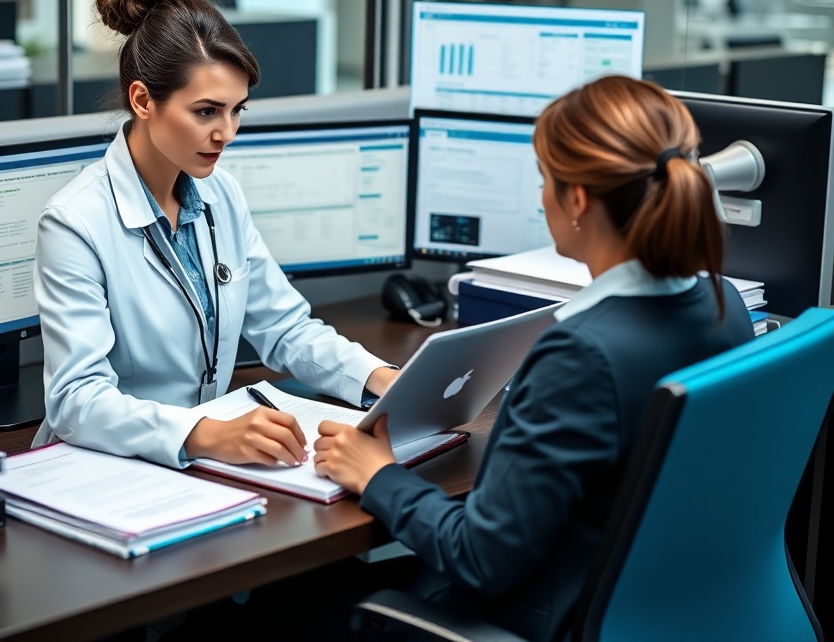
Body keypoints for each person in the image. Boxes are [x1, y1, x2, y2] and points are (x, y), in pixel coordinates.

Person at [313, 75, 755, 642]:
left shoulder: (582, 354)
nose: (539, 196)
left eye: (545, 179)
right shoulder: (723, 304)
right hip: (671, 607)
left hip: (551, 616)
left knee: (266, 616)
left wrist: (378, 475)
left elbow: (481, 558)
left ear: (576, 200)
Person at [31, 0, 398, 469]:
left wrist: (382, 379)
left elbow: (286, 328)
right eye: (206, 112)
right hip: (111, 465)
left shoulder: (220, 195)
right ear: (142, 100)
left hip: (204, 460)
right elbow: (77, 400)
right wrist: (204, 434)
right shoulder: (76, 222)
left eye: (237, 110)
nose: (227, 133)